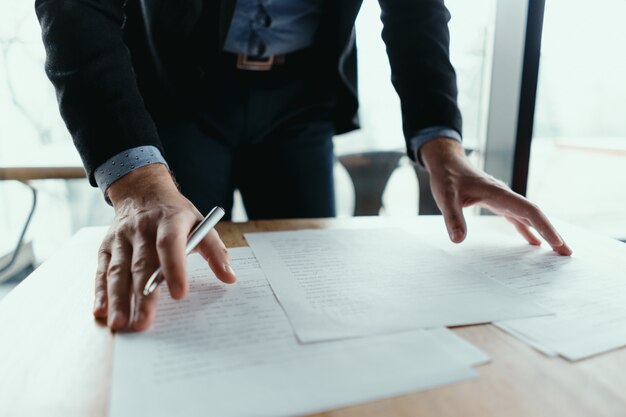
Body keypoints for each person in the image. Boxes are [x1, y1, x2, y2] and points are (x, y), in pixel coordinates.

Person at [36, 0, 572, 332]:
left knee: (318, 291)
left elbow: (415, 10)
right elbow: (76, 6)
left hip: (303, 99)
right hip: (179, 91)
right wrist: (135, 181)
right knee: (177, 285)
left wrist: (441, 142)